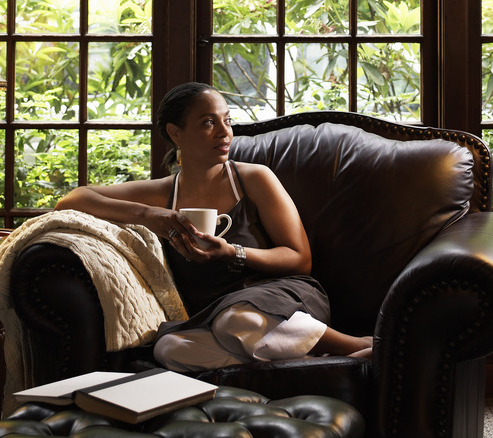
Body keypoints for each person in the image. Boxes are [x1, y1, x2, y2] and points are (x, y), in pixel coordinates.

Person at [55, 82, 371, 372]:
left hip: (284, 300)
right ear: (176, 133)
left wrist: (233, 253)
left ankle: (355, 346)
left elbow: (300, 258)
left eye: (227, 121)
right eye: (209, 122)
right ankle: (308, 362)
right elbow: (71, 200)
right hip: (212, 317)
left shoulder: (254, 179)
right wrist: (150, 215)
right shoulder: (163, 194)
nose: (225, 132)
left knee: (236, 321)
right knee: (169, 348)